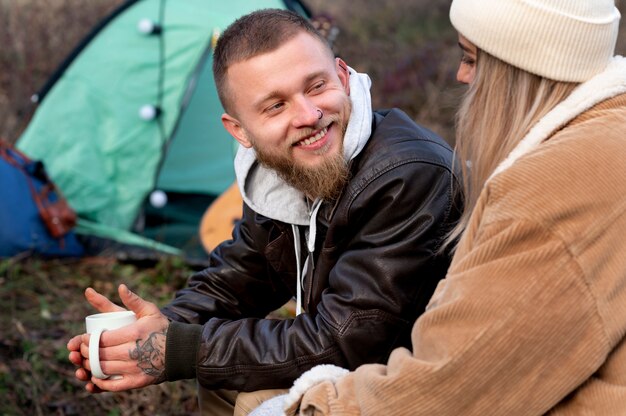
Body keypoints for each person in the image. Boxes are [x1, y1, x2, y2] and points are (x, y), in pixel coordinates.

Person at [67, 9, 461, 415]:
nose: (308, 116)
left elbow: (346, 340)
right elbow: (243, 275)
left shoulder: (407, 175)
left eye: (317, 86)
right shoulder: (284, 167)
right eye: (275, 106)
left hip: (437, 381)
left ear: (343, 76)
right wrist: (152, 332)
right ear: (240, 131)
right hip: (367, 366)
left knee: (252, 397)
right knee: (221, 380)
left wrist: (181, 349)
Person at [250, 0, 626, 414]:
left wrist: (312, 407)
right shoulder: (605, 139)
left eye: (470, 57)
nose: (461, 75)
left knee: (258, 399)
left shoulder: (559, 183)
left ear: (520, 65)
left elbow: (456, 383)